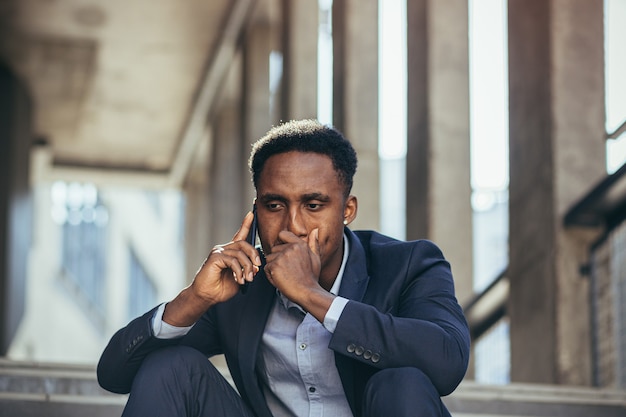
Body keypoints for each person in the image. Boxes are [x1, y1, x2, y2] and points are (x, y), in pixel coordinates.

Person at [97, 119, 470, 417]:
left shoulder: (409, 264)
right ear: (256, 211)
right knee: (173, 365)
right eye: (274, 205)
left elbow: (446, 361)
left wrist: (311, 296)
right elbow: (114, 374)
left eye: (313, 205)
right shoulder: (242, 286)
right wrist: (195, 299)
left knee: (401, 383)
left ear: (347, 210)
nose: (293, 225)